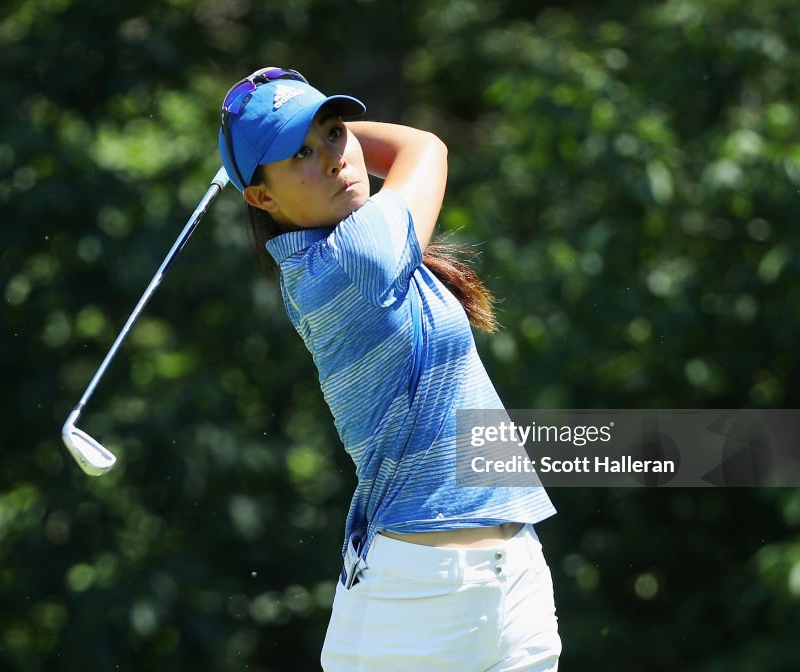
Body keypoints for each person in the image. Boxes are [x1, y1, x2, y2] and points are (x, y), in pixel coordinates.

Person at [218, 67, 561, 671]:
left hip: (503, 570)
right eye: (299, 153)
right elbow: (423, 146)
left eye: (333, 133)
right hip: (429, 589)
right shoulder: (355, 256)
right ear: (261, 197)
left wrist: (271, 135)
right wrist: (322, 127)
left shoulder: (339, 249)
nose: (334, 158)